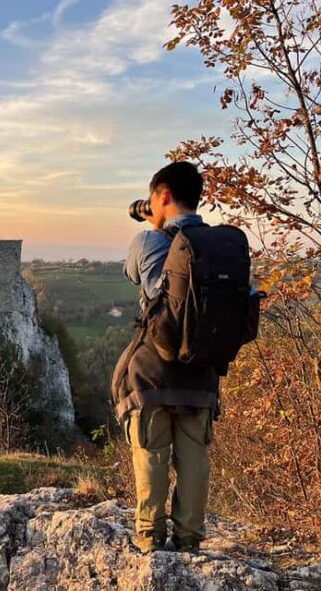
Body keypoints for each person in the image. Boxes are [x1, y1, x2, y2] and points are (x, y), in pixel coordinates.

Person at [112, 161, 219, 554]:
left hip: (153, 375)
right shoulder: (217, 245)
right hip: (201, 375)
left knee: (151, 456)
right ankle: (189, 539)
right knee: (194, 459)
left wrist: (154, 229)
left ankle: (150, 539)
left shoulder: (147, 241)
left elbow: (131, 275)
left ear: (163, 197)